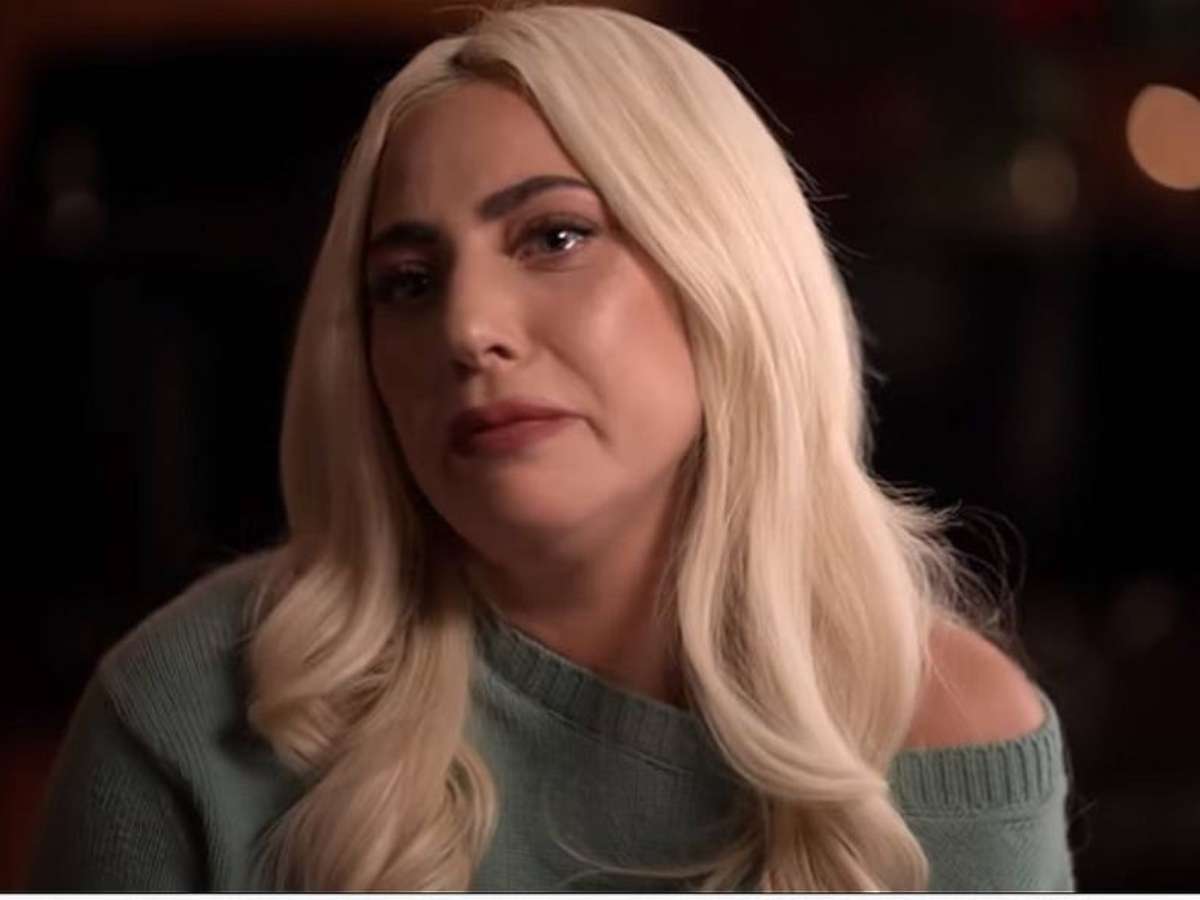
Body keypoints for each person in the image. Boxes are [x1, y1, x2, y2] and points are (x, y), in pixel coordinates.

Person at [27, 4, 1074, 891]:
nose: (467, 328)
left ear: (728, 270)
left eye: (555, 236)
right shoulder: (185, 718)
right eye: (407, 282)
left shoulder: (953, 729)